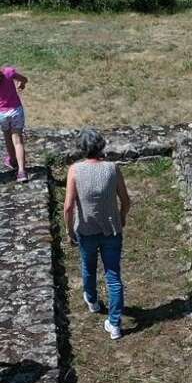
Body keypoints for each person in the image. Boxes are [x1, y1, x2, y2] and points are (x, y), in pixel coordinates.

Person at [64, 128, 131, 341]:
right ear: (101, 146)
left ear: (82, 149)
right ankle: (114, 323)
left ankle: (92, 300)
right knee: (113, 276)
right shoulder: (112, 169)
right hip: (111, 229)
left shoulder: (75, 170)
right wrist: (122, 216)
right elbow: (126, 200)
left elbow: (68, 207)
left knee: (88, 266)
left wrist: (70, 231)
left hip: (86, 229)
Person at [0, 66, 29, 183]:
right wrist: (21, 84)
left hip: (1, 113)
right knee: (18, 141)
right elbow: (24, 79)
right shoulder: (8, 72)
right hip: (16, 111)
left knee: (7, 137)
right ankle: (22, 172)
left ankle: (12, 160)